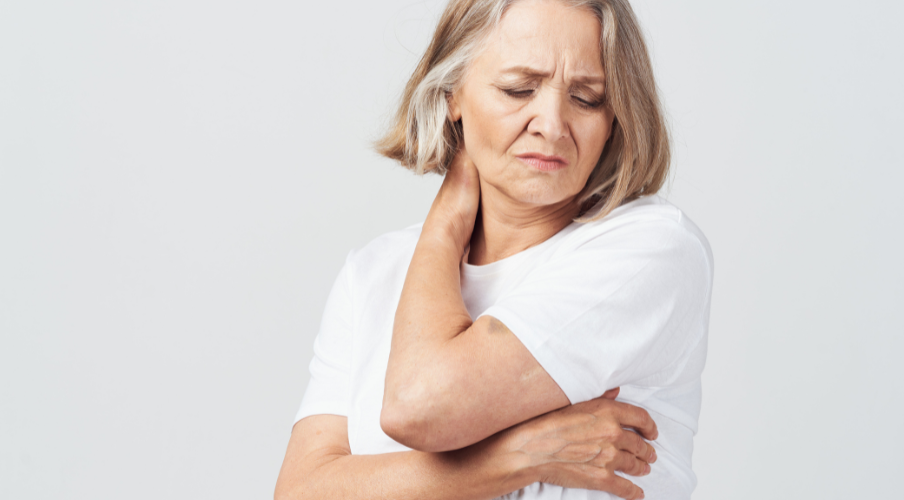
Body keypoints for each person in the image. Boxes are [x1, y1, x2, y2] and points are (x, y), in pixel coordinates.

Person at [275, 0, 713, 498]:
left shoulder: (652, 250)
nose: (552, 124)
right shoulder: (374, 273)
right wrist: (522, 455)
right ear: (452, 93)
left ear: (616, 117)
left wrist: (445, 222)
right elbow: (300, 491)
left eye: (587, 98)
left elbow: (420, 403)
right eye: (518, 89)